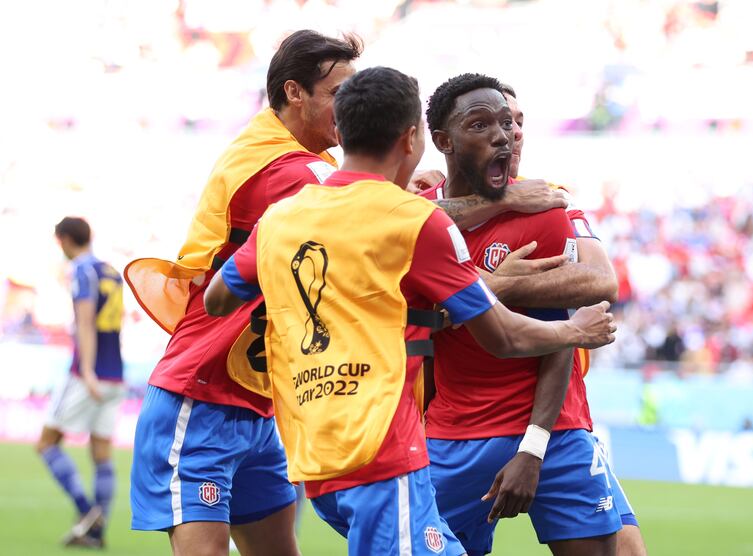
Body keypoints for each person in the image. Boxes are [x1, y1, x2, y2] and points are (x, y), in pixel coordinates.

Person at [203, 66, 617, 556]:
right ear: (415, 138)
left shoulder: (283, 217)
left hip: (315, 451)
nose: (504, 136)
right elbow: (503, 337)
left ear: (340, 132)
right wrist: (575, 330)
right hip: (383, 447)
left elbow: (217, 298)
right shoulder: (415, 220)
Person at [125, 30, 362, 556]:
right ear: (295, 92)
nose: (351, 108)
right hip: (201, 395)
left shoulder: (294, 161)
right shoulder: (279, 168)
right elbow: (376, 215)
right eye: (339, 93)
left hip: (257, 403)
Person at [420, 73, 628, 556]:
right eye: (483, 124)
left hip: (553, 433)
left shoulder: (545, 209)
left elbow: (563, 333)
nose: (504, 135)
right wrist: (493, 285)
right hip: (455, 435)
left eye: (509, 123)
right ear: (443, 142)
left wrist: (534, 447)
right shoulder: (413, 217)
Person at [495, 82, 648, 556]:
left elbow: (602, 282)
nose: (513, 132)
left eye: (518, 121)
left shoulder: (551, 203)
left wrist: (494, 284)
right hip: (462, 421)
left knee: (626, 551)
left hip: (560, 418)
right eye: (500, 121)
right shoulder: (432, 205)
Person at [37, 216, 125, 549]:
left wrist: (87, 371)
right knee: (101, 453)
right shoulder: (111, 271)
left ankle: (88, 513)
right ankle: (96, 533)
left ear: (63, 239)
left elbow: (85, 322)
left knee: (46, 443)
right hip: (115, 372)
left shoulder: (83, 271)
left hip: (87, 373)